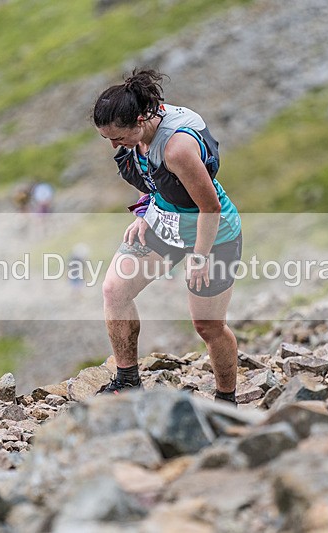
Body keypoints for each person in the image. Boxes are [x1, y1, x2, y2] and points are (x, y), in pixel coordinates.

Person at [92, 68, 243, 404]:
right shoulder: (142, 121)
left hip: (212, 233)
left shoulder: (178, 147)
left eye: (118, 137)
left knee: (207, 325)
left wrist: (200, 257)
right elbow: (155, 181)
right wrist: (146, 210)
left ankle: (226, 401)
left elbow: (210, 207)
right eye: (108, 140)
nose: (115, 146)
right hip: (164, 224)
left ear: (142, 119)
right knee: (115, 290)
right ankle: (127, 379)